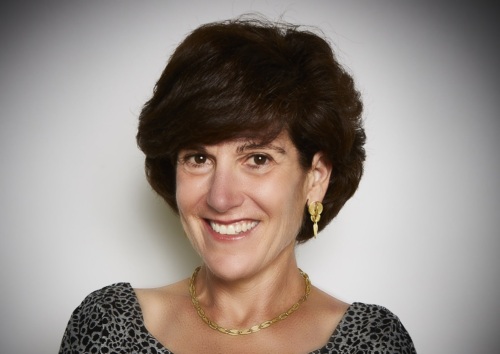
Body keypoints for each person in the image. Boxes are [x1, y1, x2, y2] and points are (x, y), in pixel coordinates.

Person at [59, 17, 416, 353]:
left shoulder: (372, 342)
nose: (221, 198)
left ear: (316, 177)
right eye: (199, 159)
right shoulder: (108, 325)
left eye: (258, 159)